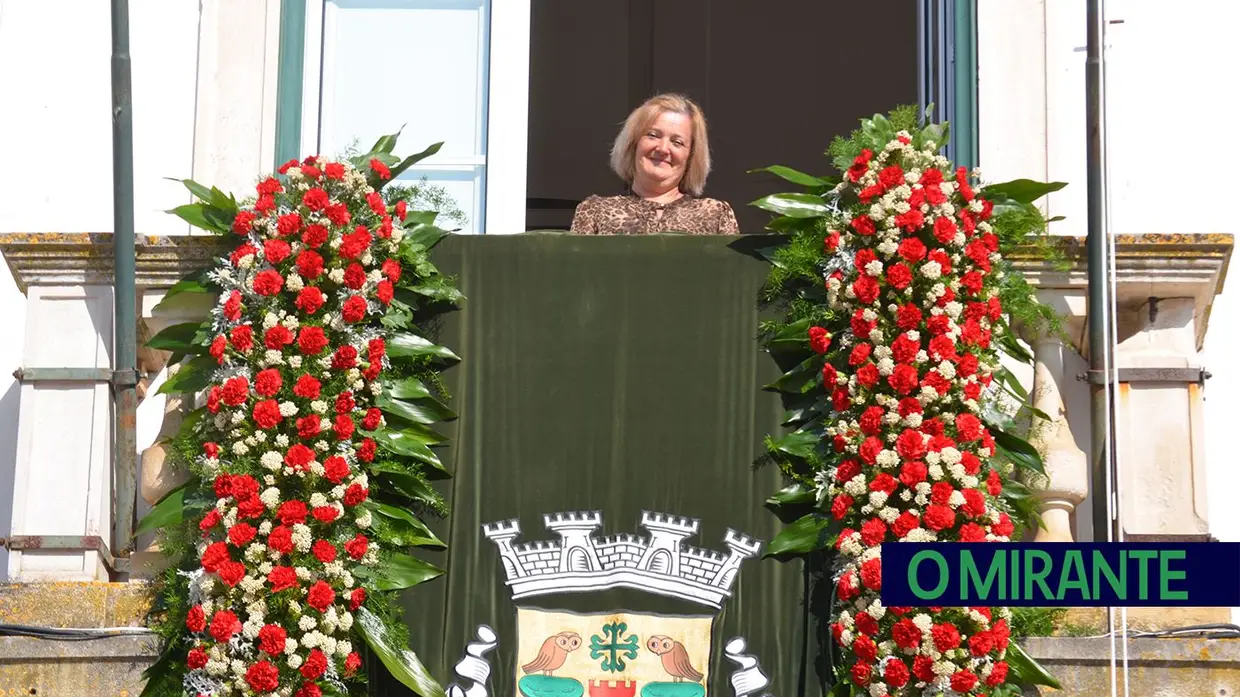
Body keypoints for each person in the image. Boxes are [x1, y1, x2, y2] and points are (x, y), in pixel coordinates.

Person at [570, 93, 740, 235]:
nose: (663, 148)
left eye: (677, 142)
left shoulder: (715, 214)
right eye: (653, 135)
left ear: (691, 156)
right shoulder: (595, 211)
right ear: (633, 143)